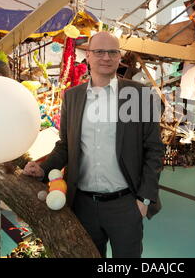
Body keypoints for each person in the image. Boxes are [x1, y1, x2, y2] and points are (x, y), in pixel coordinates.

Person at [23, 31, 164, 258]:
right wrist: (43, 168)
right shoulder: (72, 97)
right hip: (83, 205)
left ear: (120, 57)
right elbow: (65, 146)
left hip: (125, 204)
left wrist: (144, 200)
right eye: (99, 51)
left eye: (112, 52)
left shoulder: (138, 95)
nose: (106, 57)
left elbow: (154, 150)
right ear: (87, 55)